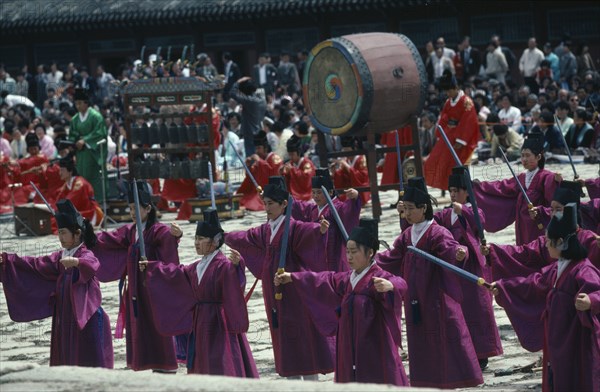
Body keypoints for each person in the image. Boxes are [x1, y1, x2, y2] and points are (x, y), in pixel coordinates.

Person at [274, 219, 409, 386]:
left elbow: (401, 284)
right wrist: (292, 277)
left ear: (370, 253)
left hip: (373, 347)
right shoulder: (347, 279)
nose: (349, 257)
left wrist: (391, 286)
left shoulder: (378, 278)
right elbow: (324, 279)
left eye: (354, 252)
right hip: (348, 344)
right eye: (348, 252)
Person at [376, 177, 482, 388]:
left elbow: (451, 249)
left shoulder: (437, 232)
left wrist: (459, 253)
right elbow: (393, 256)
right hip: (414, 296)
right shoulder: (408, 235)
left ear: (423, 208)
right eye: (404, 209)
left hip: (436, 297)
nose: (406, 213)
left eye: (410, 209)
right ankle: (426, 381)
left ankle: (448, 380)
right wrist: (371, 260)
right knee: (420, 341)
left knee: (442, 341)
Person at [224, 176, 335, 379]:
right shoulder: (267, 230)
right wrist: (225, 236)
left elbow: (307, 231)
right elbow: (247, 237)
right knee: (282, 335)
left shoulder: (293, 227)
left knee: (302, 333)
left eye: (271, 204)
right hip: (272, 290)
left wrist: (319, 230)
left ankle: (311, 379)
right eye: (265, 204)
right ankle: (291, 377)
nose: (266, 208)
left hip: (293, 289)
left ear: (284, 204)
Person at [490, 204, 600, 391]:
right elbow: (534, 282)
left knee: (578, 379)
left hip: (577, 341)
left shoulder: (584, 269)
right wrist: (502, 286)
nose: (546, 245)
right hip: (558, 340)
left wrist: (591, 301)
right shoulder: (558, 267)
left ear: (562, 243)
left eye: (549, 242)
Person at [140, 209, 259, 377]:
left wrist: (238, 267)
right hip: (200, 320)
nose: (196, 243)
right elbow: (176, 273)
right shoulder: (197, 266)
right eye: (196, 238)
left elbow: (236, 288)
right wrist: (152, 268)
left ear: (215, 241)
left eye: (201, 239)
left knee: (221, 363)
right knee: (202, 363)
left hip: (219, 322)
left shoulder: (224, 265)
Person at [0, 199, 113, 368]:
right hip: (65, 313)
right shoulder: (61, 256)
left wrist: (76, 262)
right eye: (59, 233)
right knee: (68, 356)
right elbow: (36, 263)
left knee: (88, 358)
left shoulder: (84, 253)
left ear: (77, 234)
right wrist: (8, 260)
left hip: (85, 315)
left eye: (63, 233)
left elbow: (92, 264)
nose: (60, 237)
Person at [94, 181, 183, 372]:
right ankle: (143, 361)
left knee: (155, 322)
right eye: (131, 208)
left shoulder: (157, 229)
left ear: (148, 208)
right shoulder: (131, 230)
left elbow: (168, 238)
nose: (133, 212)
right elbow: (111, 238)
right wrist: (91, 238)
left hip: (153, 287)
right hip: (135, 287)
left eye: (136, 208)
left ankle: (165, 363)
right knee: (139, 323)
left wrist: (177, 235)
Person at [435, 167, 503, 369]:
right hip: (454, 267)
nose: (454, 194)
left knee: (477, 309)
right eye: (451, 190)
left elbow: (480, 221)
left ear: (467, 193)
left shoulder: (474, 210)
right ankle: (462, 352)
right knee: (457, 311)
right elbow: (431, 225)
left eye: (458, 190)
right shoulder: (446, 215)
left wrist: (463, 210)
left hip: (473, 268)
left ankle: (482, 353)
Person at [474, 133, 559, 245]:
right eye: (522, 155)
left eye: (528, 155)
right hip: (522, 224)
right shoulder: (522, 177)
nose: (524, 159)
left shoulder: (547, 177)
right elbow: (502, 187)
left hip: (538, 224)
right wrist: (480, 186)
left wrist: (541, 211)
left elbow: (555, 204)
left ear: (538, 157)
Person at [292, 170, 361, 272]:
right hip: (317, 254)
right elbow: (298, 206)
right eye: (314, 192)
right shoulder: (313, 209)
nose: (315, 196)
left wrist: (355, 197)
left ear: (330, 192)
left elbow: (349, 211)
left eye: (319, 192)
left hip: (334, 254)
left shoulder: (337, 208)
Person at [423, 70, 479, 191]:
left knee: (457, 165)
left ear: (456, 88)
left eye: (449, 90)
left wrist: (461, 140)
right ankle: (449, 189)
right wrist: (440, 134)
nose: (448, 93)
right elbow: (444, 117)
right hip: (449, 134)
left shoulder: (466, 102)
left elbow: (469, 122)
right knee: (435, 159)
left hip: (462, 138)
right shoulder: (449, 102)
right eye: (446, 91)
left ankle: (465, 190)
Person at [68, 88, 108, 204]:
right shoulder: (75, 119)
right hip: (80, 154)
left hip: (93, 153)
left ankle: (98, 203)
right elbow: (72, 134)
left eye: (80, 103)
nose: (78, 106)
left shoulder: (96, 116)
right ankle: (85, 204)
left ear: (86, 103)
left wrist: (85, 140)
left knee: (94, 178)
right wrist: (73, 143)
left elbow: (101, 133)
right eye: (76, 103)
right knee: (82, 178)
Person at [236, 131, 283, 211]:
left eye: (259, 148)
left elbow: (273, 175)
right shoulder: (260, 160)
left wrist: (260, 162)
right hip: (260, 189)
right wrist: (249, 166)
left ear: (265, 148)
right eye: (256, 148)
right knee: (244, 196)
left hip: (273, 189)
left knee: (254, 201)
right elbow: (252, 177)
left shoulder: (275, 159)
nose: (257, 151)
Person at [54, 154, 104, 227]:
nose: (60, 173)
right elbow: (59, 198)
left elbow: (70, 200)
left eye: (62, 170)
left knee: (63, 220)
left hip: (90, 212)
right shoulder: (66, 184)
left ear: (70, 171)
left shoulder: (79, 183)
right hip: (78, 211)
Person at [229, 77, 267, 157]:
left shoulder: (249, 101)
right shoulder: (262, 99)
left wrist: (238, 81)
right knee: (259, 159)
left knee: (251, 159)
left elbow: (232, 93)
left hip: (250, 132)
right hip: (259, 131)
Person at [332, 136, 370, 205]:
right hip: (350, 186)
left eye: (348, 151)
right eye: (345, 151)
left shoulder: (360, 158)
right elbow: (342, 175)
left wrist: (347, 166)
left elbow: (362, 176)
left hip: (360, 185)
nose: (346, 154)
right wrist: (334, 172)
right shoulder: (346, 160)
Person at [280, 134, 316, 201]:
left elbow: (307, 179)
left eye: (292, 154)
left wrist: (292, 170)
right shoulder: (290, 163)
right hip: (294, 193)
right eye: (289, 154)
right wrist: (283, 173)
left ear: (299, 152)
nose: (290, 157)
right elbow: (288, 180)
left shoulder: (307, 163)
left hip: (306, 193)